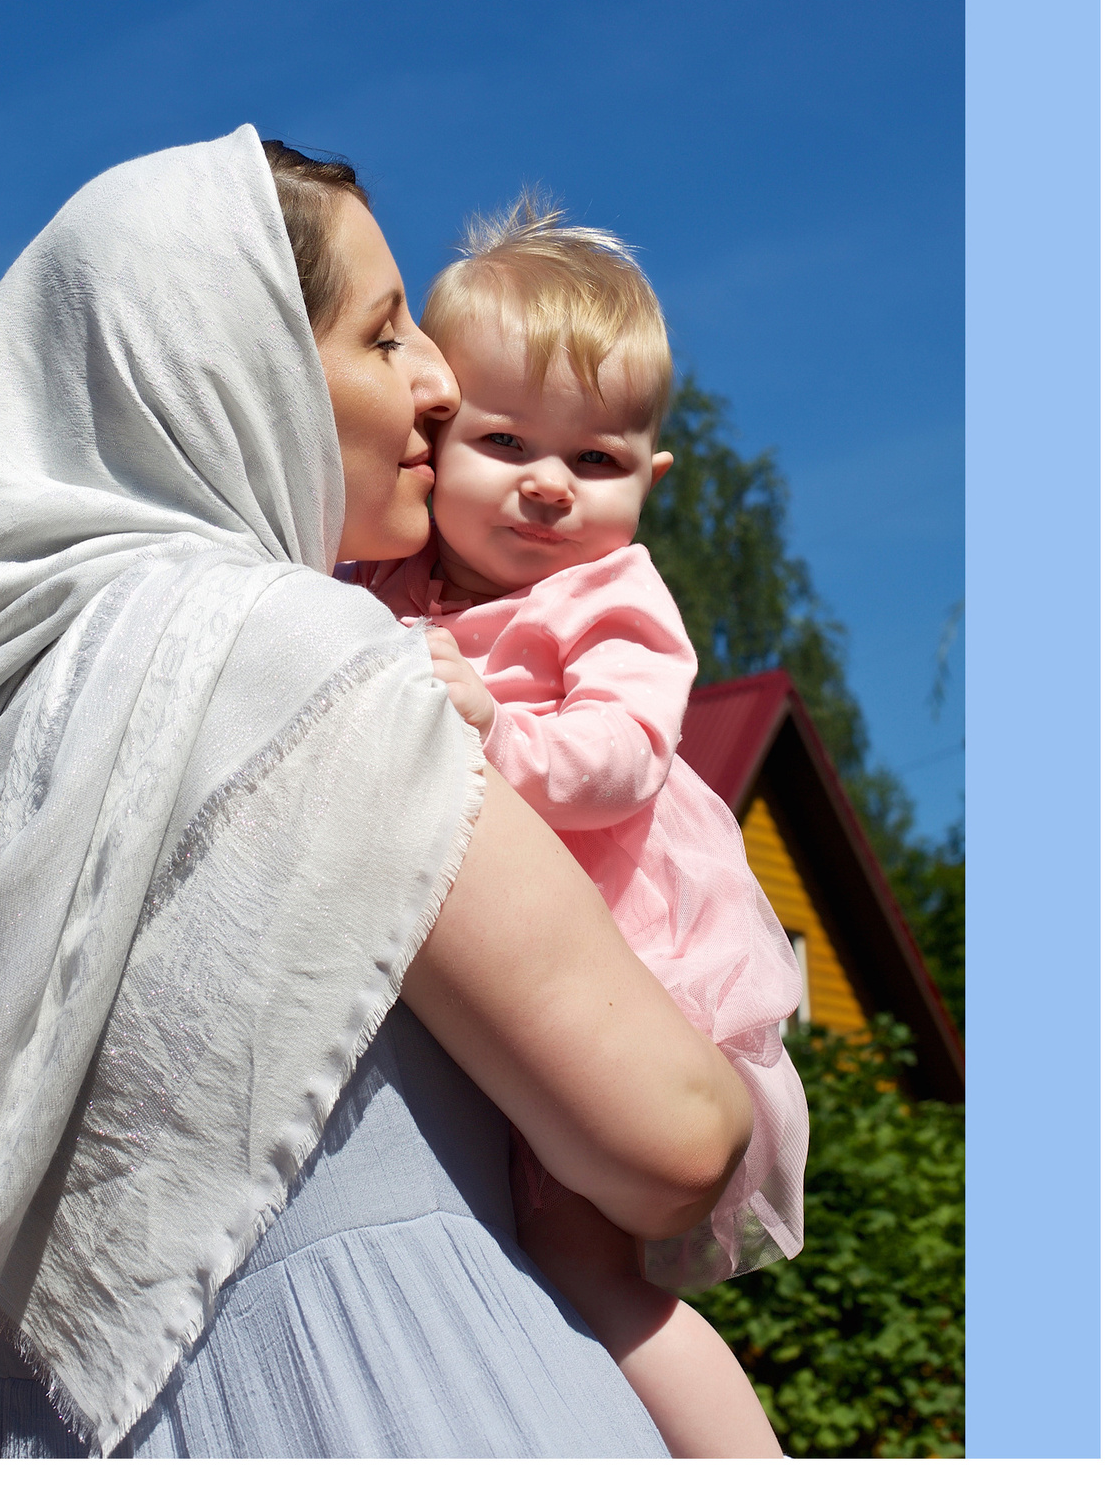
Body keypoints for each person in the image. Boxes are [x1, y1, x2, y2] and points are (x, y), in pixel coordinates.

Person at [0, 127, 753, 1457]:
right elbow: (672, 1140)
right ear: (237, 371)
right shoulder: (304, 661)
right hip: (395, 1402)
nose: (439, 385)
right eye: (385, 339)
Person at [353, 195, 804, 1456]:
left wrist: (491, 729)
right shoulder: (391, 574)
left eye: (596, 461)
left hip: (626, 952)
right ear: (433, 438)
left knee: (590, 1266)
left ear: (650, 478)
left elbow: (617, 762)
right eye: (504, 441)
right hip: (499, 967)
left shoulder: (612, 596)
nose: (548, 487)